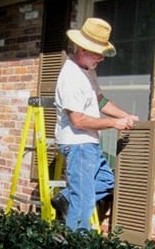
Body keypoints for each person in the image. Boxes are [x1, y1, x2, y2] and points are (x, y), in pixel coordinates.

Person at [52, 17, 139, 230]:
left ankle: (65, 198)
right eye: (97, 53)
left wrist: (125, 115)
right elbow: (78, 120)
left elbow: (99, 100)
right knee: (83, 204)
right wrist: (113, 123)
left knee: (107, 181)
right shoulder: (71, 76)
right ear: (82, 48)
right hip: (78, 144)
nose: (101, 58)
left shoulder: (87, 70)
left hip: (88, 144)